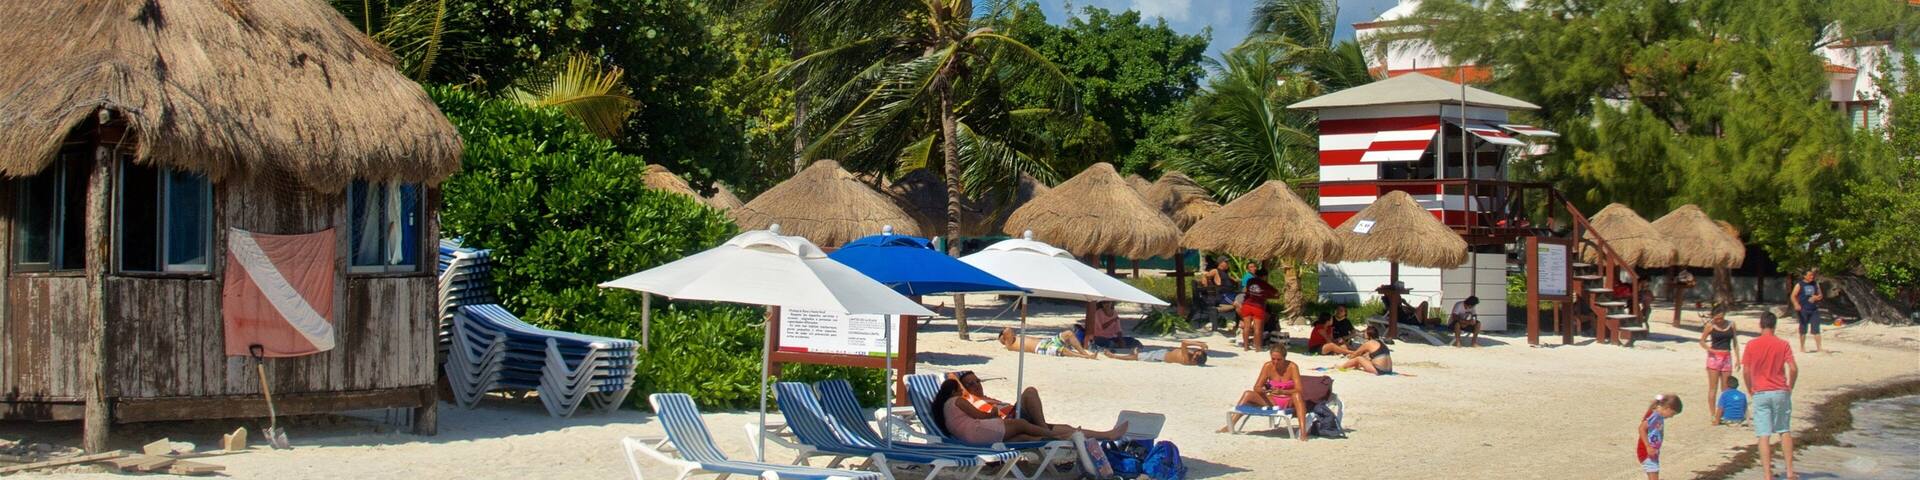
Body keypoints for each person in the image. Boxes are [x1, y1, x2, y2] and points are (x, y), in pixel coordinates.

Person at [931, 371, 1127, 444]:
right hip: (1003, 423)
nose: (977, 385)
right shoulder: (967, 401)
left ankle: (1108, 435)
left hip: (1009, 420)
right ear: (963, 388)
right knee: (1030, 392)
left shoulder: (985, 397)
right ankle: (1045, 430)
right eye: (971, 384)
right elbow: (983, 419)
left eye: (978, 381)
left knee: (1066, 428)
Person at [1742, 311, 1799, 480]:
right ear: (1775, 326)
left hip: (1760, 391)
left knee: (1763, 434)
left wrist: (1750, 388)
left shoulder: (1752, 344)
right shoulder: (1783, 344)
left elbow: (1746, 370)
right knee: (1784, 430)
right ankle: (1789, 472)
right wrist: (1790, 386)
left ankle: (1767, 474)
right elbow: (1794, 368)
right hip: (1780, 390)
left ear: (1760, 325)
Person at [1219, 345, 1308, 441]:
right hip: (1272, 400)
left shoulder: (1292, 367)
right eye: (1273, 359)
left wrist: (1282, 391)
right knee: (1248, 394)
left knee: (1297, 395)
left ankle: (1303, 432)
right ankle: (1230, 425)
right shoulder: (1268, 366)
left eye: (1279, 359)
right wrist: (1264, 390)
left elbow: (1299, 389)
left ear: (1284, 358)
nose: (1275, 362)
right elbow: (1256, 387)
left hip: (1288, 400)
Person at [1698, 304, 1740, 424]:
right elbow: (1702, 341)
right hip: (1714, 358)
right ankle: (1712, 414)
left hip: (1727, 356)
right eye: (1716, 318)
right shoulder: (1710, 326)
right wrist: (1711, 350)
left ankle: (1724, 413)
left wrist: (1738, 358)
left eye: (1721, 318)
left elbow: (1735, 342)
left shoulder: (1731, 325)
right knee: (1713, 387)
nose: (1719, 321)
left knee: (1726, 388)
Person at [1636, 394, 1684, 480]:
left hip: (1652, 451)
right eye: (1672, 414)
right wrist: (1648, 446)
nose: (1671, 417)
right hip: (1647, 451)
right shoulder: (1655, 415)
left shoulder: (1658, 415)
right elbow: (1641, 429)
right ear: (1668, 408)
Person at [997, 326, 1099, 359]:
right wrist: (1002, 335)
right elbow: (1008, 330)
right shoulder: (1010, 345)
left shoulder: (1015, 339)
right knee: (1063, 350)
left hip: (1045, 342)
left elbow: (1008, 331)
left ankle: (1084, 352)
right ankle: (1085, 357)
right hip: (1040, 348)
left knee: (1068, 333)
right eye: (1003, 336)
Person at [1238, 268, 1278, 351]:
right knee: (1258, 328)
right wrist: (1269, 296)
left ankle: (1246, 347)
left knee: (1246, 327)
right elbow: (1276, 292)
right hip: (1258, 306)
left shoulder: (1250, 281)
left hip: (1247, 305)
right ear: (1264, 276)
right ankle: (1257, 347)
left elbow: (1246, 290)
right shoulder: (1264, 284)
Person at [1787, 269, 1825, 353]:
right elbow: (1793, 296)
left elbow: (1820, 295)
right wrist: (1796, 304)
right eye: (1810, 275)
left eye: (1812, 275)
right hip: (1803, 309)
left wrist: (1816, 297)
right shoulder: (1799, 284)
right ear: (1804, 276)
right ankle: (1802, 347)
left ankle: (1819, 347)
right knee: (1803, 329)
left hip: (1814, 309)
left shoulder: (1815, 284)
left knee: (1816, 329)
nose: (1812, 277)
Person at [1105, 340, 1210, 366]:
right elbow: (1201, 354)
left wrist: (1199, 344)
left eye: (1197, 353)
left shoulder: (1187, 359)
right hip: (1163, 353)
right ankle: (1137, 352)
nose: (1196, 352)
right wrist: (1202, 348)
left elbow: (1184, 343)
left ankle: (1114, 356)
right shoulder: (1193, 358)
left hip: (1160, 357)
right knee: (1140, 355)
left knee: (1136, 357)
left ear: (1195, 360)